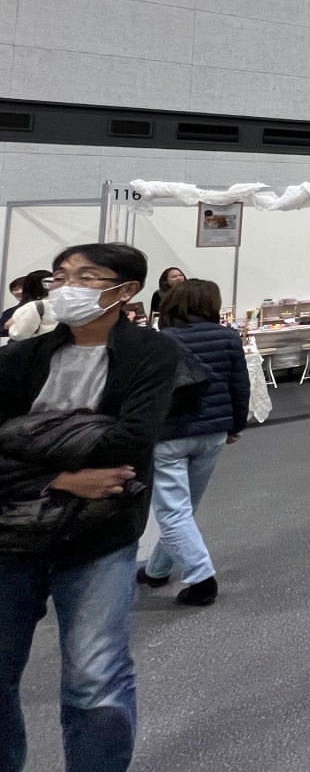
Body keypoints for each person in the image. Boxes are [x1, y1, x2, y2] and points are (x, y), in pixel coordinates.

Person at [0, 242, 180, 772]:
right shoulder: (22, 358)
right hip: (10, 535)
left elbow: (128, 444)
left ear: (126, 291)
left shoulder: (150, 353)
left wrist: (21, 438)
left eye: (86, 276)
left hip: (98, 536)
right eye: (60, 276)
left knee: (94, 678)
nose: (67, 287)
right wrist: (60, 477)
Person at [137, 279, 249, 607]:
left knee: (174, 511)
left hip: (169, 434)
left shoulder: (161, 339)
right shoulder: (228, 337)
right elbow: (240, 385)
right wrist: (235, 425)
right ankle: (158, 569)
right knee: (186, 508)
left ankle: (202, 580)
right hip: (213, 432)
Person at [4, 272, 55, 342]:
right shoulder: (59, 302)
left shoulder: (33, 306)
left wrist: (11, 326)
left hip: (36, 345)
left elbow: (19, 334)